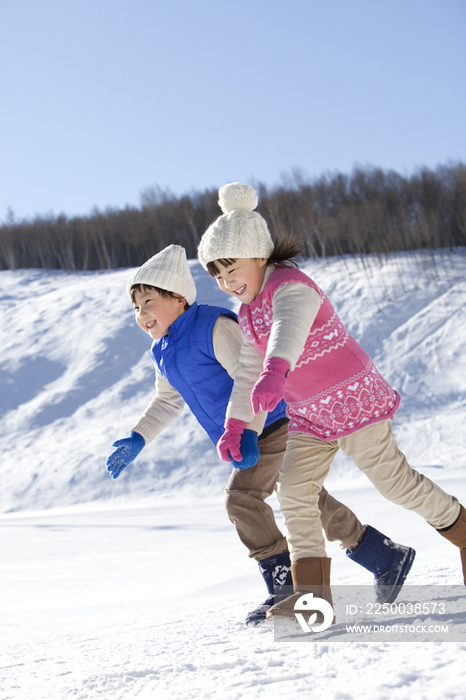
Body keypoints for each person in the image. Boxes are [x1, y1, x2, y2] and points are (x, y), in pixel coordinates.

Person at [106, 244, 416, 626]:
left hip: (273, 422)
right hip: (249, 433)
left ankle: (285, 586)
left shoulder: (213, 327)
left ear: (179, 297)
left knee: (242, 498)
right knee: (306, 498)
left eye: (148, 302)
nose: (142, 315)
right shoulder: (163, 351)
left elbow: (249, 376)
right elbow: (168, 401)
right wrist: (138, 437)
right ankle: (383, 555)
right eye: (135, 308)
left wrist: (248, 430)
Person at [197, 182, 466, 621]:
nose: (227, 282)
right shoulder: (247, 314)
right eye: (217, 274)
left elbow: (289, 329)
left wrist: (276, 370)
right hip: (311, 418)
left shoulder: (291, 286)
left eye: (232, 269)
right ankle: (315, 598)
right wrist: (237, 424)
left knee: (395, 483)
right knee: (296, 493)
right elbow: (247, 371)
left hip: (353, 402)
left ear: (260, 256)